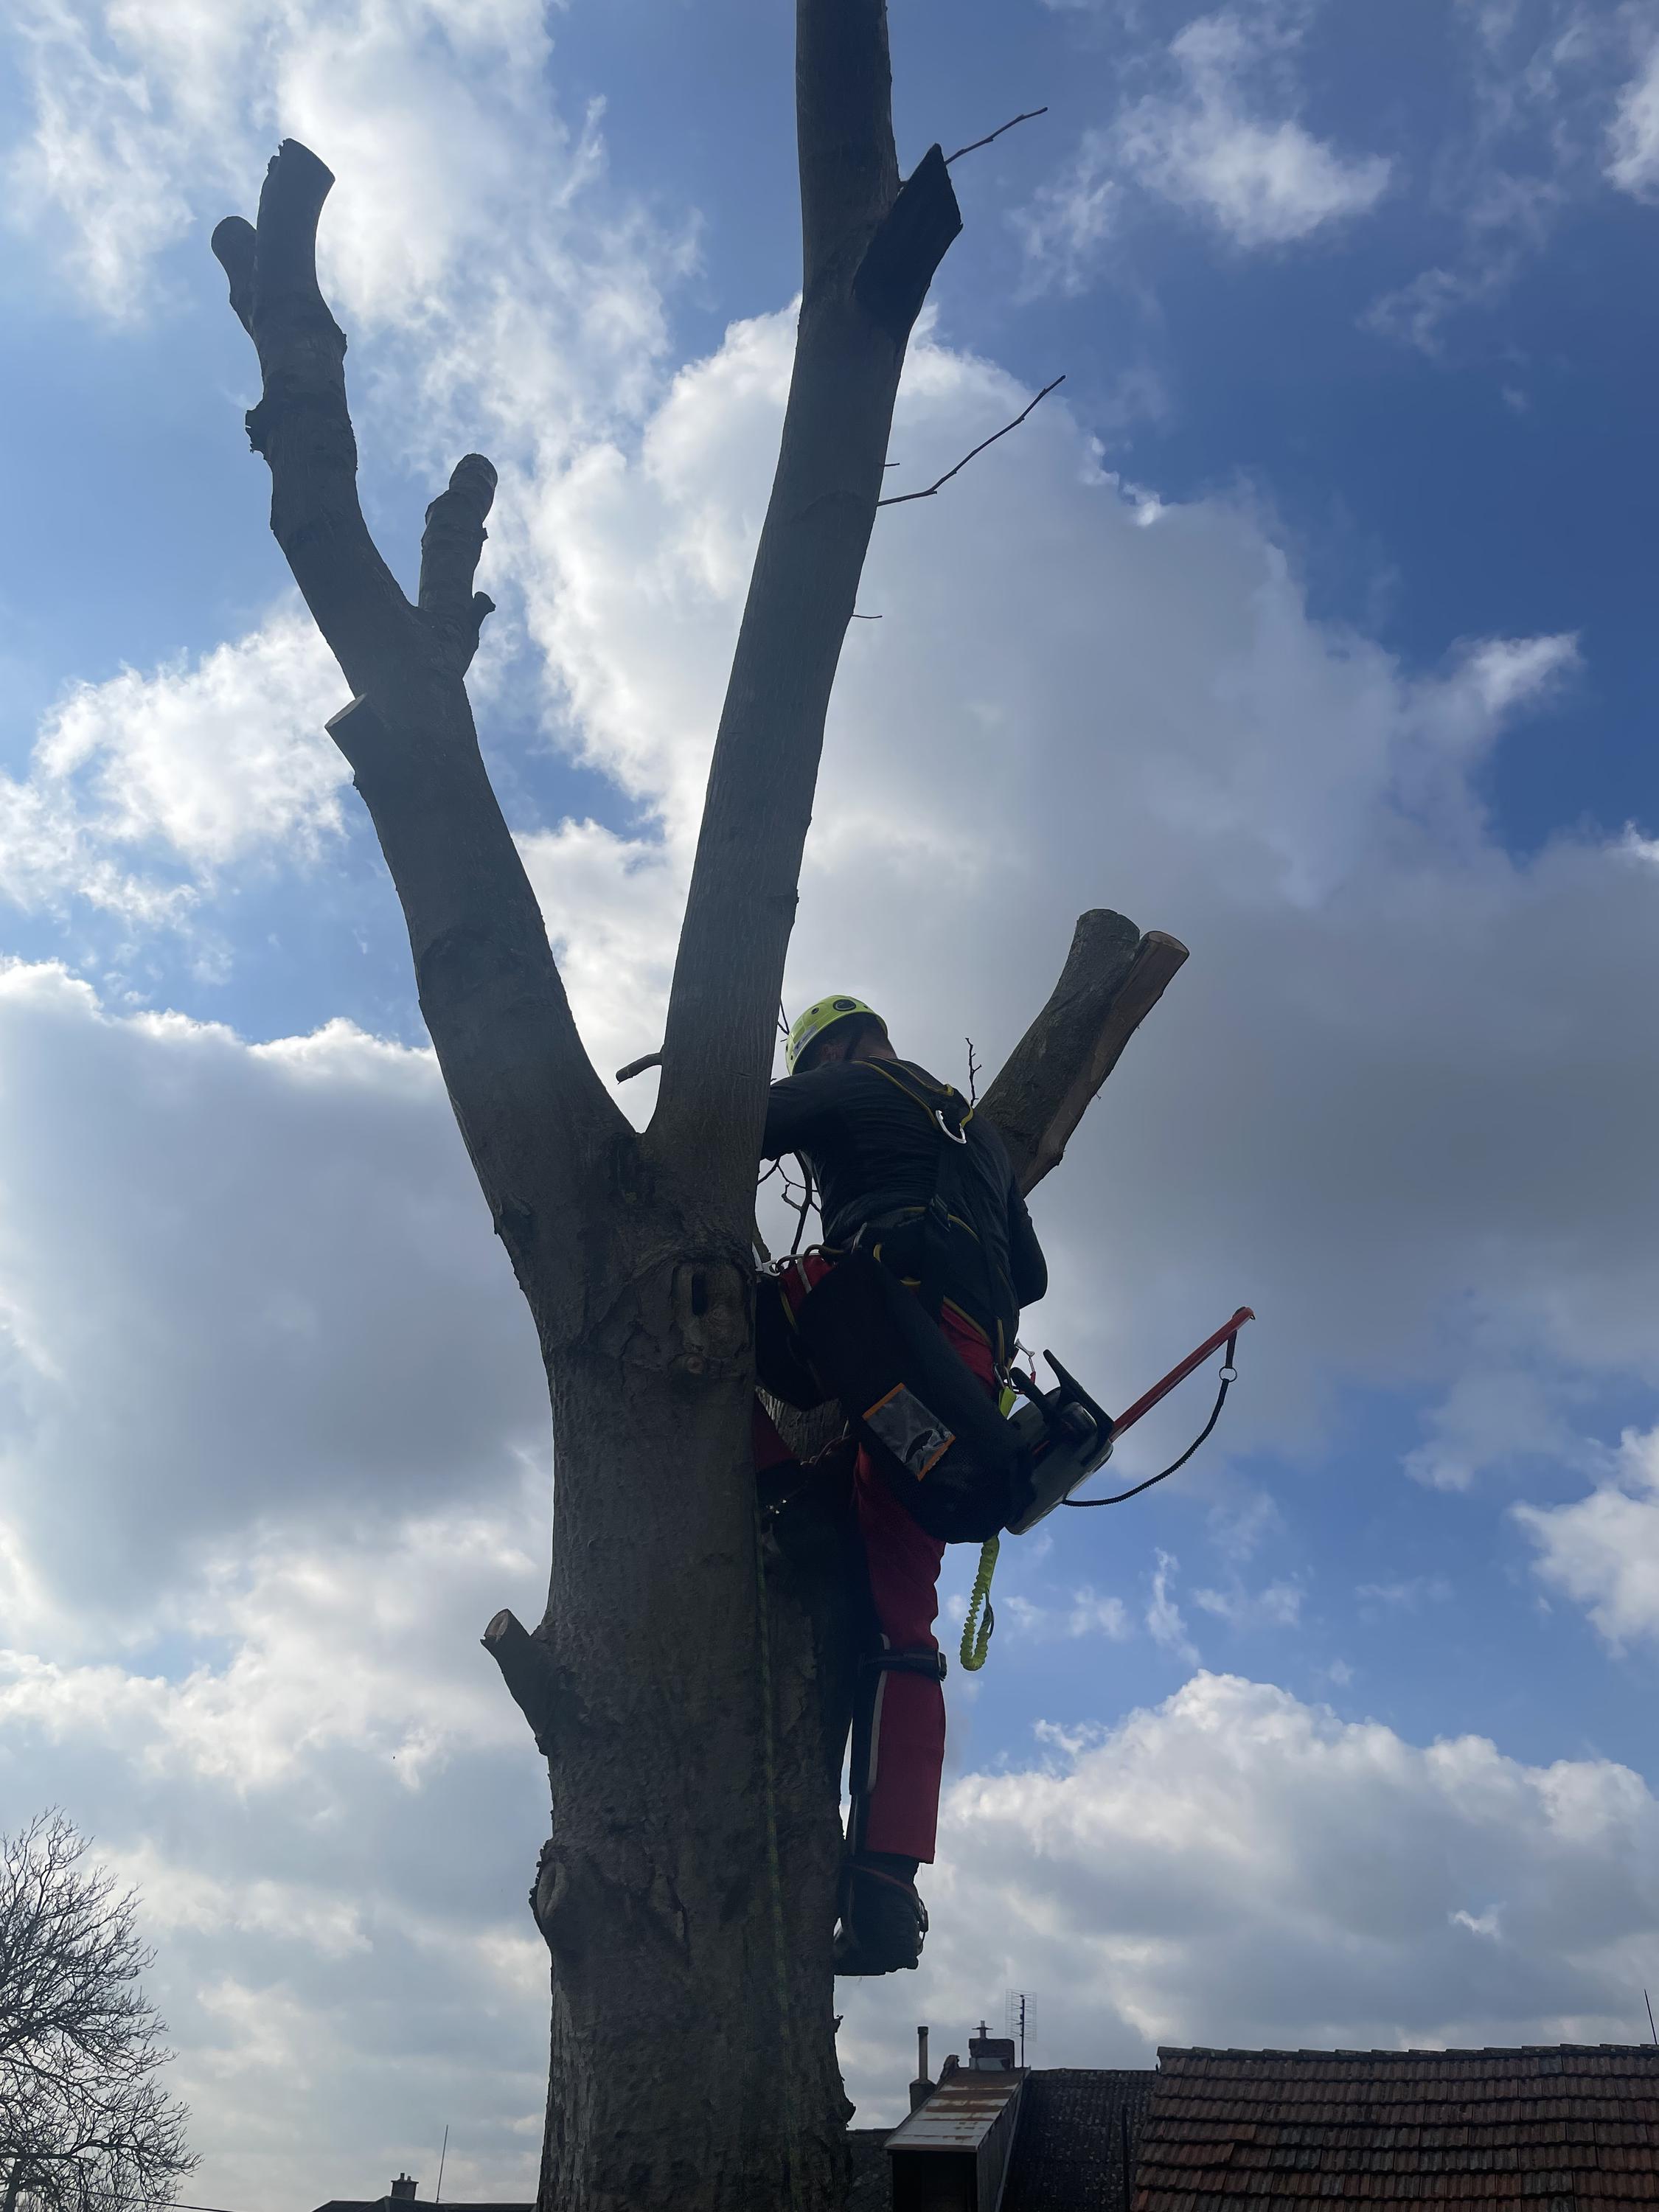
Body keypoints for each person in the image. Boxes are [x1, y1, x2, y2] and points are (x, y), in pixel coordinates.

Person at [756, 995, 1048, 1976]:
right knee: (901, 1620)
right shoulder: (976, 1137)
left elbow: (736, 1128)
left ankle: (772, 1495)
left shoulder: (844, 1085)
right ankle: (884, 1889)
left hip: (883, 1330)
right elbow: (1034, 1274)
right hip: (961, 1375)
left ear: (830, 1051)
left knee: (703, 1314)